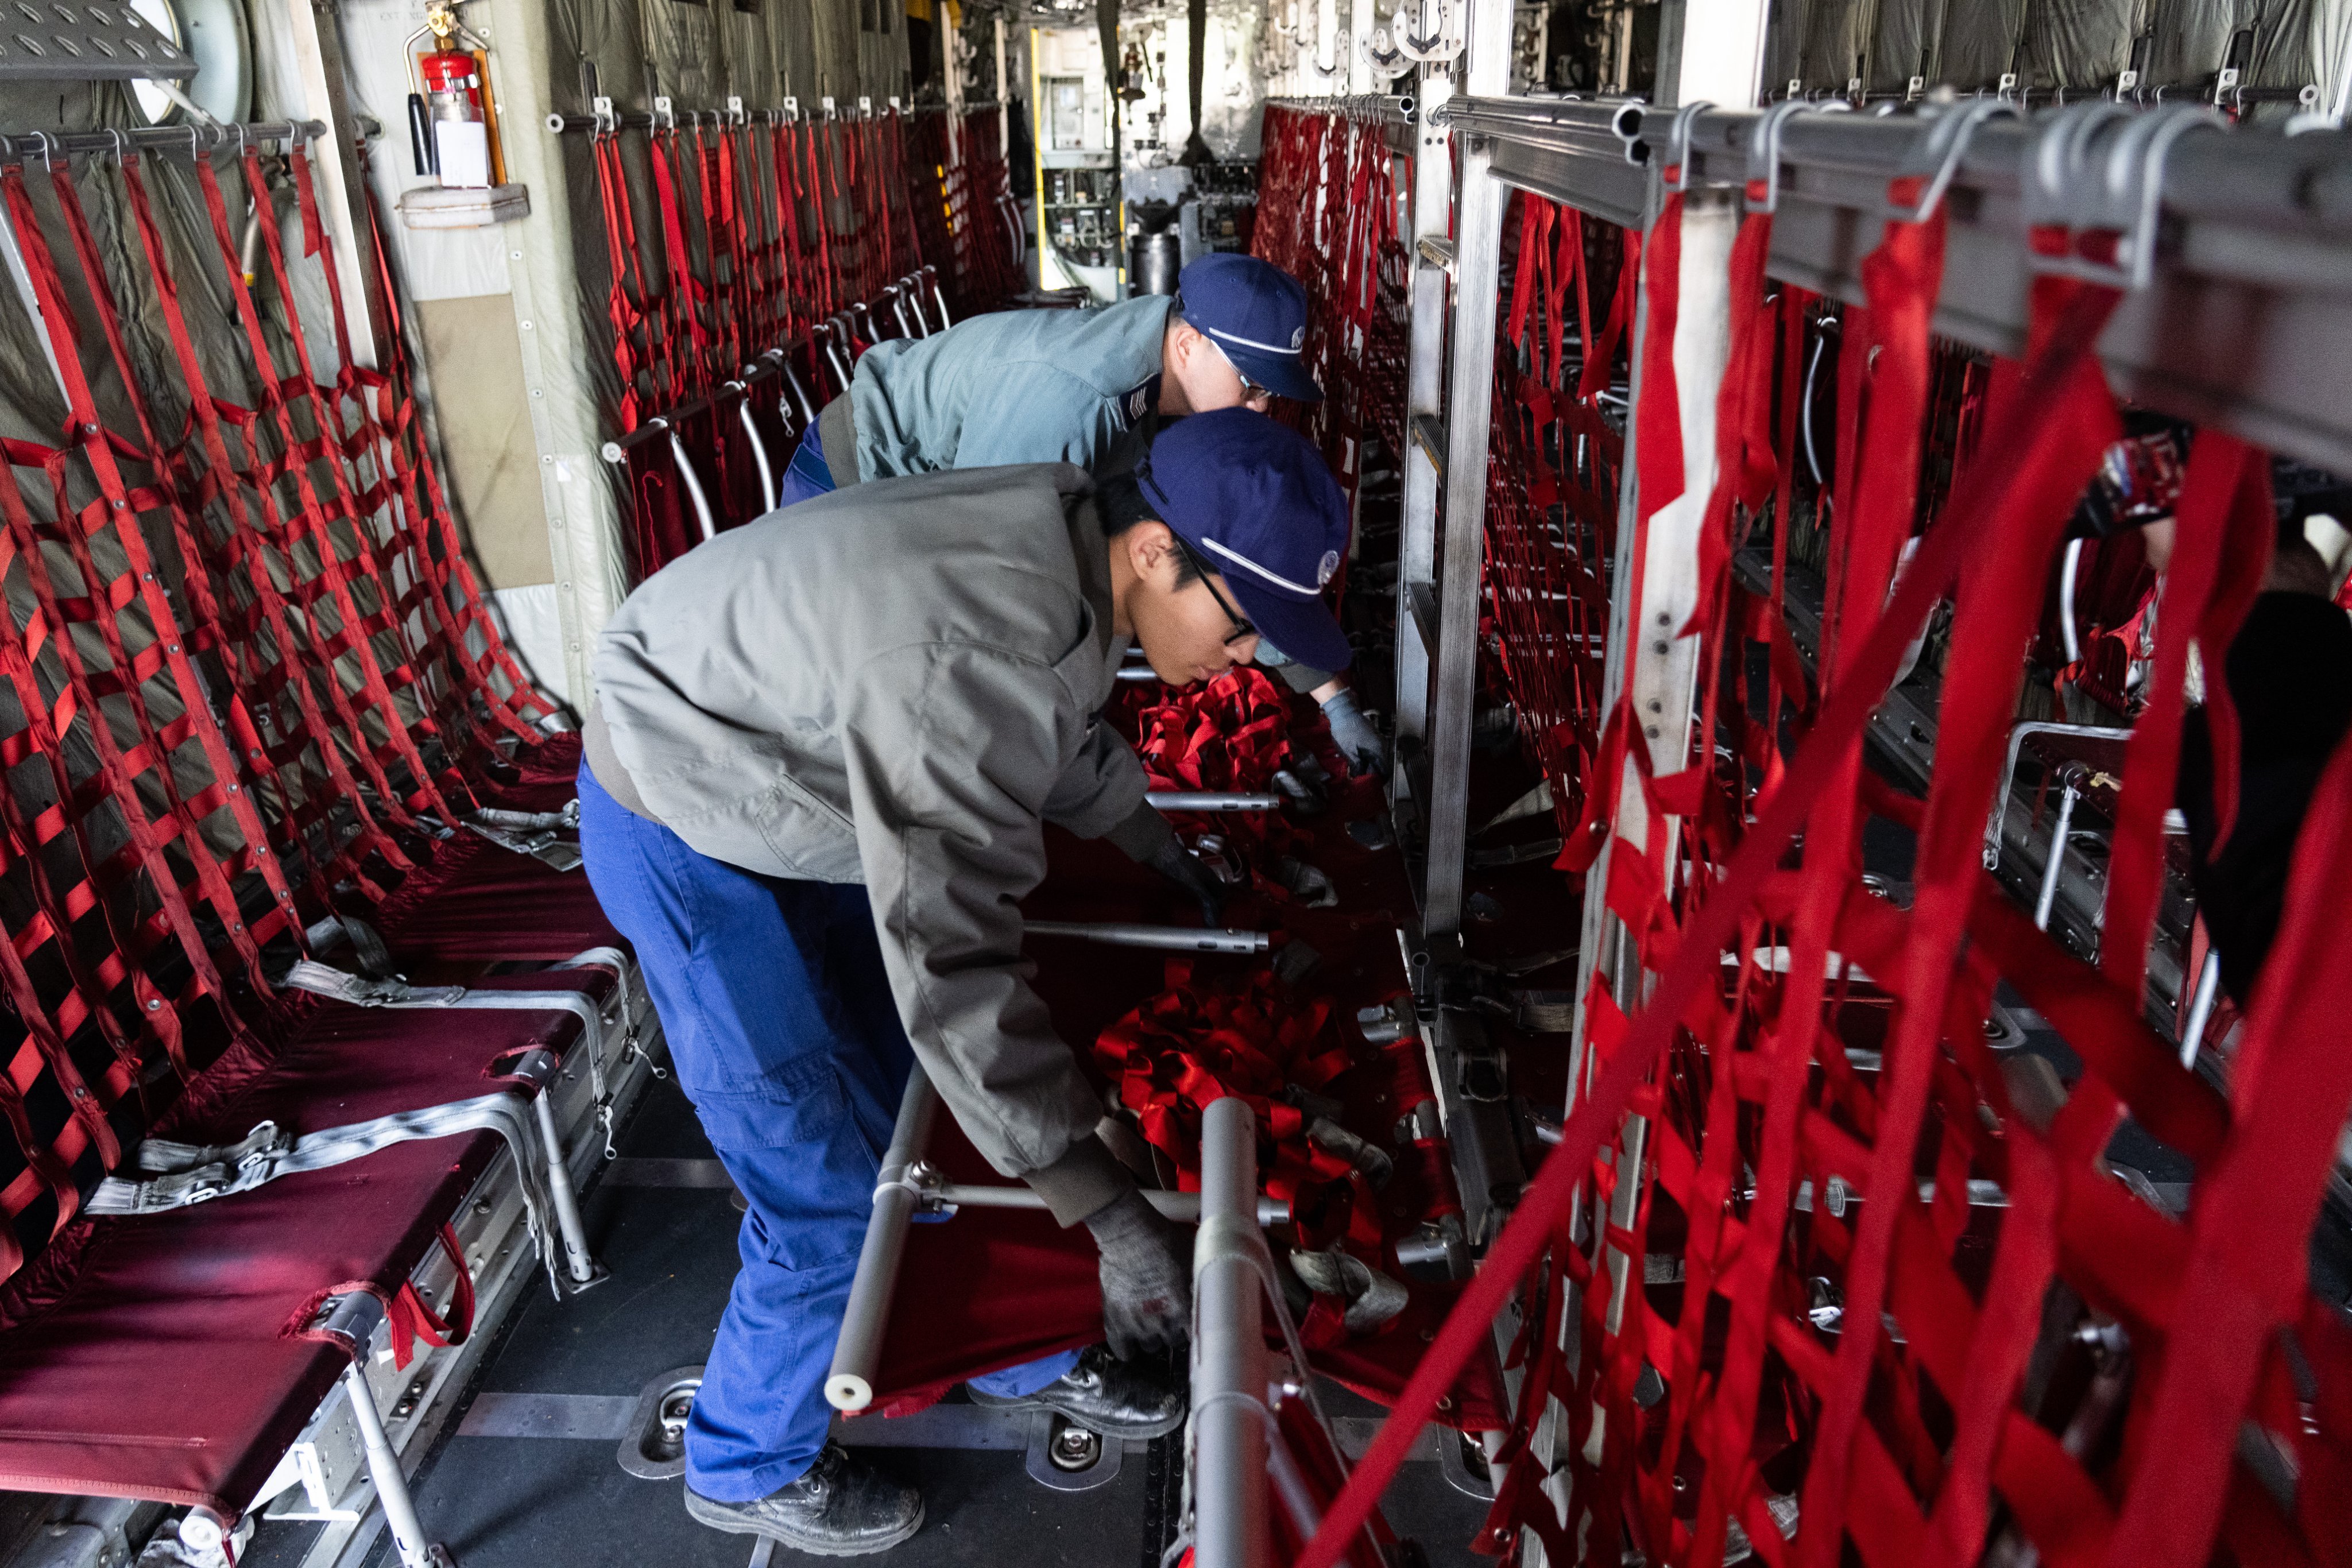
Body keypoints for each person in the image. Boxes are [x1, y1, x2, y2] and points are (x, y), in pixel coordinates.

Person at [577, 409, 1355, 1555]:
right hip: (685, 824)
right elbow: (951, 963)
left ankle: (1010, 1351)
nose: (1244, 662)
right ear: (1155, 552)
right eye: (1242, 629)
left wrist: (1157, 848)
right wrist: (1105, 1208)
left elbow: (1055, 729)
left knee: (930, 1116)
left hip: (789, 776)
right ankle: (744, 1459)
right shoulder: (976, 647)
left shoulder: (1064, 542)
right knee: (826, 1183)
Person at [779, 254, 1386, 776]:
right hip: (854, 479)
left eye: (1268, 394)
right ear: (1186, 345)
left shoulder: (1167, 388)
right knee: (828, 723)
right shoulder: (1078, 404)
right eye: (1250, 385)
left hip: (937, 496)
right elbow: (977, 573)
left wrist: (1330, 697)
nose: (1257, 410)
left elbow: (1232, 565)